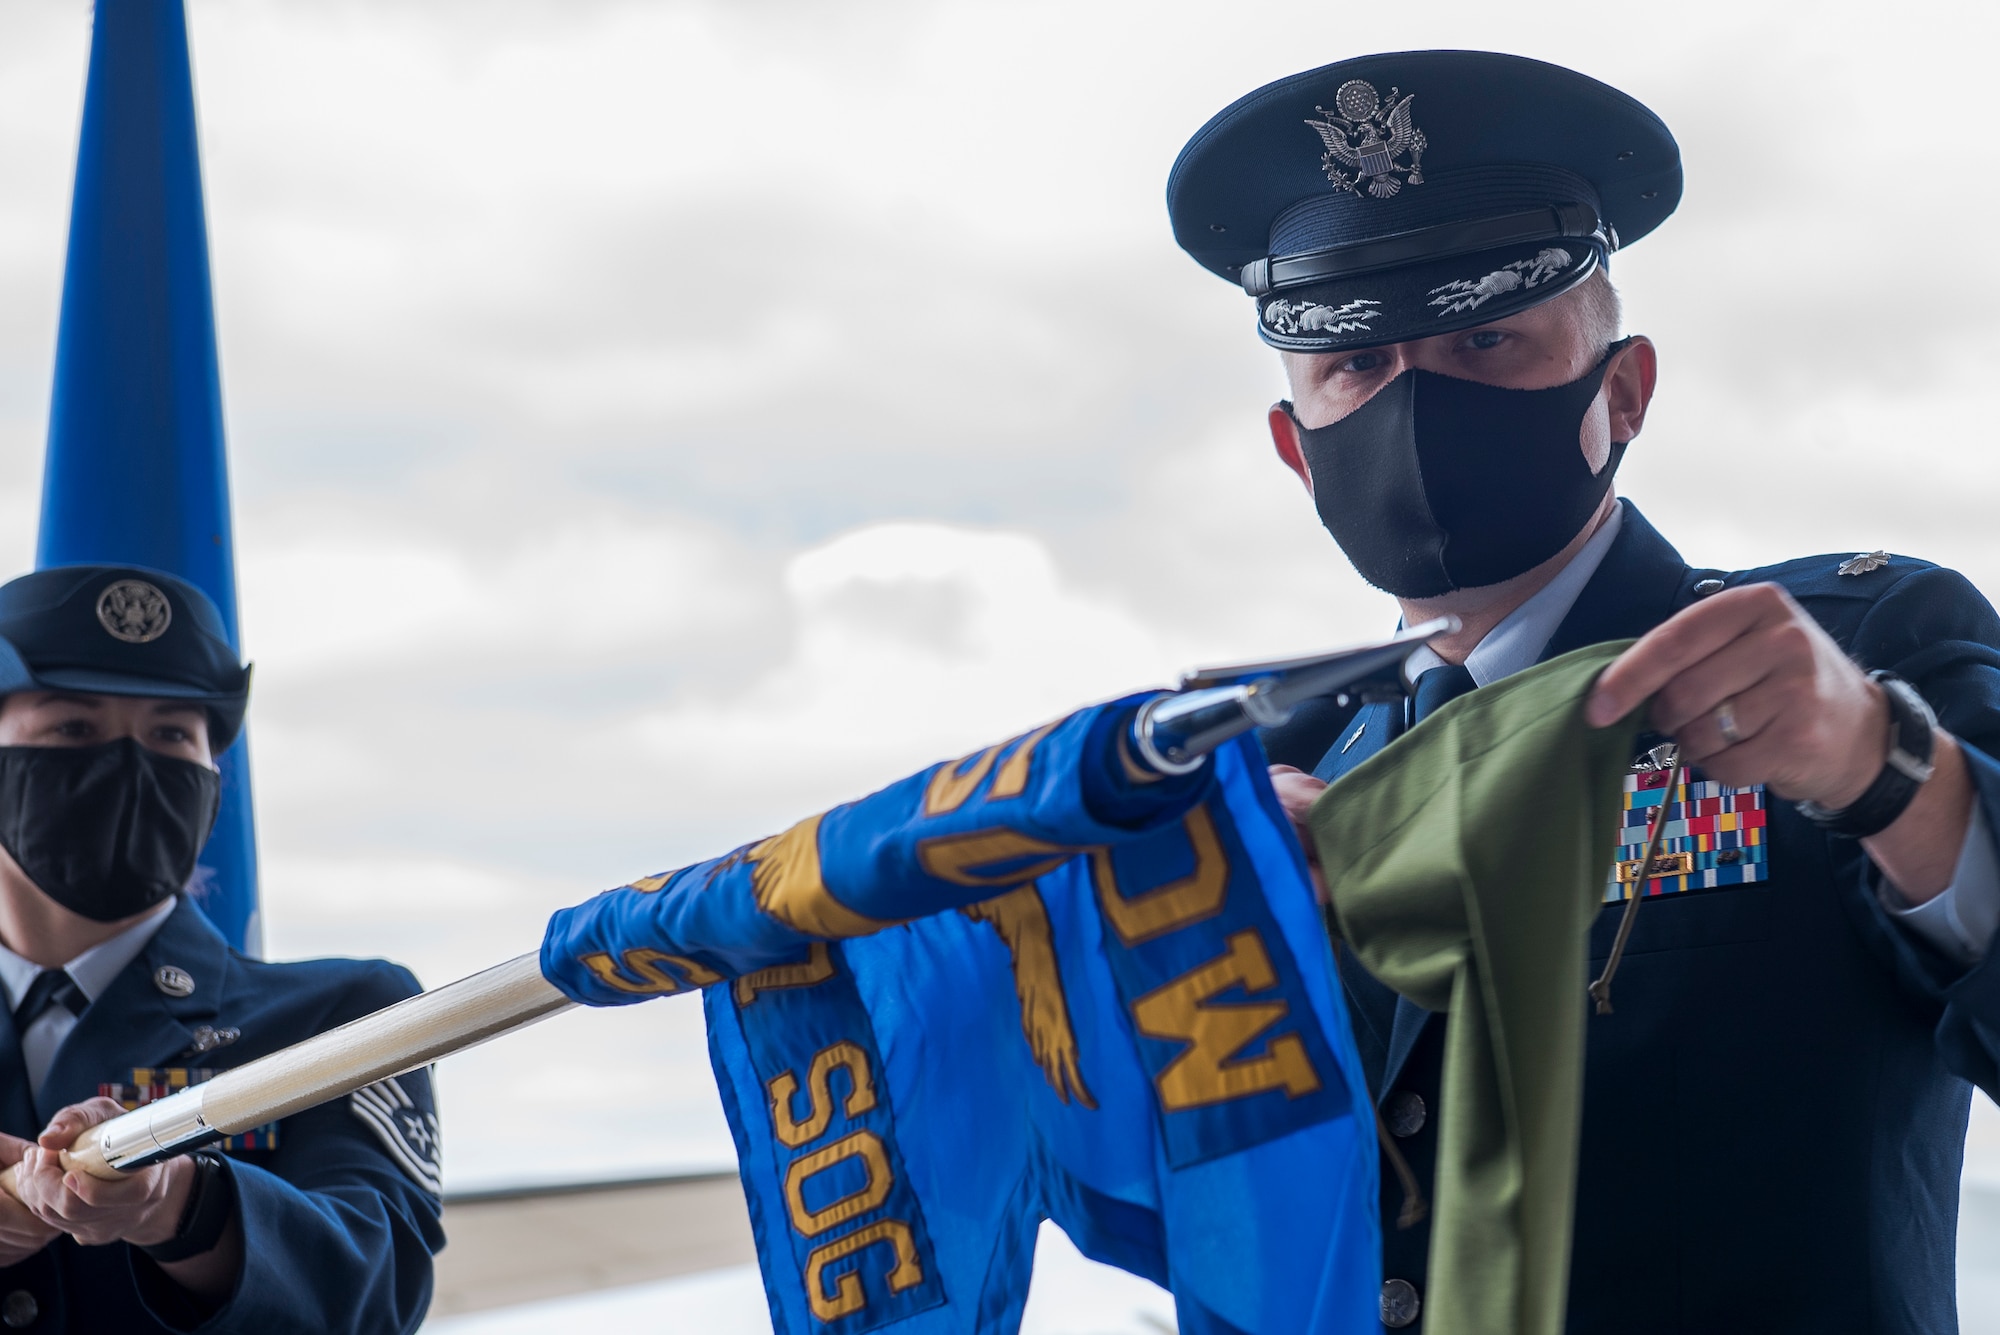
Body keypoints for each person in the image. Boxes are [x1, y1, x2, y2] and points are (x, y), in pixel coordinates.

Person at [1168, 51, 2000, 1334]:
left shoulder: (1848, 662)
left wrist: (1889, 774)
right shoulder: (1262, 775)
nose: (1414, 401)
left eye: (1482, 337)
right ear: (1295, 448)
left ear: (1620, 390)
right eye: (1354, 367)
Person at [0, 565, 442, 1332]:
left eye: (171, 734)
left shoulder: (344, 1019)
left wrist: (179, 1204)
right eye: (74, 727)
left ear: (213, 776)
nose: (131, 767)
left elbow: (378, 1291)